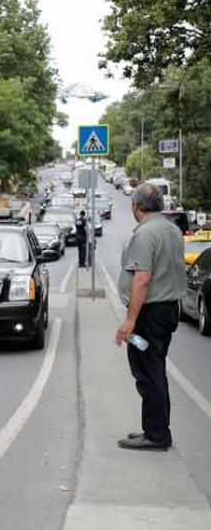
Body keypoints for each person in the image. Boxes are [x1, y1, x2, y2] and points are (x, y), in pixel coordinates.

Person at [115, 183, 186, 451]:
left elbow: (142, 279)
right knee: (154, 369)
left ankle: (156, 435)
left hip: (149, 314)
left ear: (137, 206)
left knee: (147, 371)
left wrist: (130, 321)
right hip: (166, 310)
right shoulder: (172, 229)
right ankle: (155, 428)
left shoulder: (146, 234)